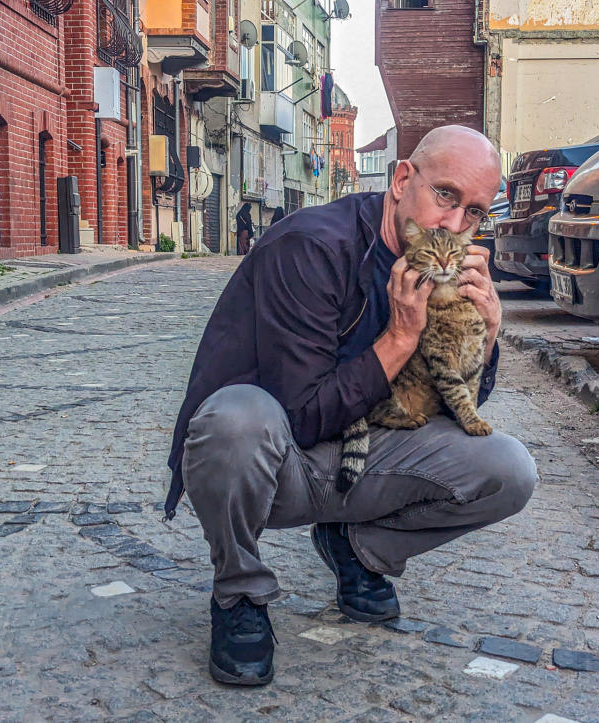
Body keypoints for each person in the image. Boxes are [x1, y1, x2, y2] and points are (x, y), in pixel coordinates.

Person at [166, 125, 538, 686]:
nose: (454, 226)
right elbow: (301, 416)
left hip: (366, 455)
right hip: (277, 463)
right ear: (401, 179)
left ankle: (358, 547)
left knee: (508, 469)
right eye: (445, 195)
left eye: (475, 212)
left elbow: (456, 407)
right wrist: (400, 338)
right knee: (235, 420)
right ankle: (239, 593)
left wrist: (485, 335)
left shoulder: (443, 269)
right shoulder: (313, 246)